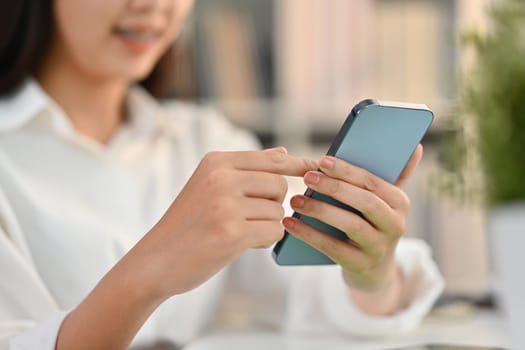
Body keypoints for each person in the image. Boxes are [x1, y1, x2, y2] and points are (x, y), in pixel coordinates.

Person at [0, 0, 444, 349]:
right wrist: (151, 270)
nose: (155, 5)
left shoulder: (205, 140)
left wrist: (371, 271)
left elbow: (309, 297)